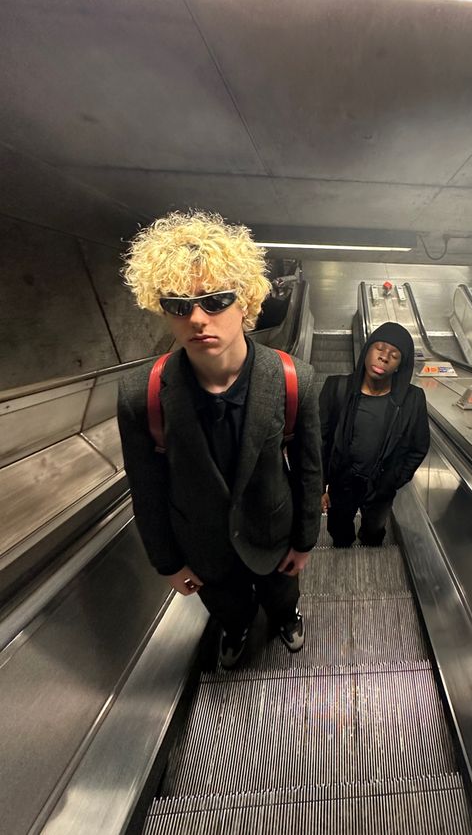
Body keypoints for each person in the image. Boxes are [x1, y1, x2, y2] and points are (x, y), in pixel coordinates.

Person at [117, 211, 322, 668]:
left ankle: (286, 618)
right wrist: (167, 562)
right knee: (227, 606)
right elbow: (146, 489)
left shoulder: (294, 380)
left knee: (281, 593)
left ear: (245, 303)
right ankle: (236, 628)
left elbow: (310, 470)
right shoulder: (142, 394)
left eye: (215, 300)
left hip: (273, 533)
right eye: (179, 305)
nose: (197, 319)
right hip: (202, 545)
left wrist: (306, 540)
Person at [319, 322, 430, 547]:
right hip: (342, 483)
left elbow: (419, 446)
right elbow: (318, 440)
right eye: (379, 348)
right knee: (339, 532)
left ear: (400, 365)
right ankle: (343, 550)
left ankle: (370, 544)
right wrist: (320, 486)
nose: (384, 357)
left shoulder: (412, 399)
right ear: (367, 350)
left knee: (374, 532)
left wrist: (395, 480)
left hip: (381, 487)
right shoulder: (336, 388)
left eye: (394, 355)